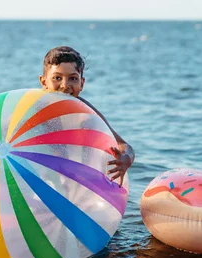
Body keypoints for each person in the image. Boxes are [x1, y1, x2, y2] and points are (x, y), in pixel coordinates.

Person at [39, 46, 135, 186]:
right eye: (57, 78)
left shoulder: (85, 112)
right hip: (40, 177)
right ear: (43, 82)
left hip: (76, 182)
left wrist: (126, 158)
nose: (65, 85)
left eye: (73, 78)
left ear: (81, 83)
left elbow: (123, 145)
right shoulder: (34, 108)